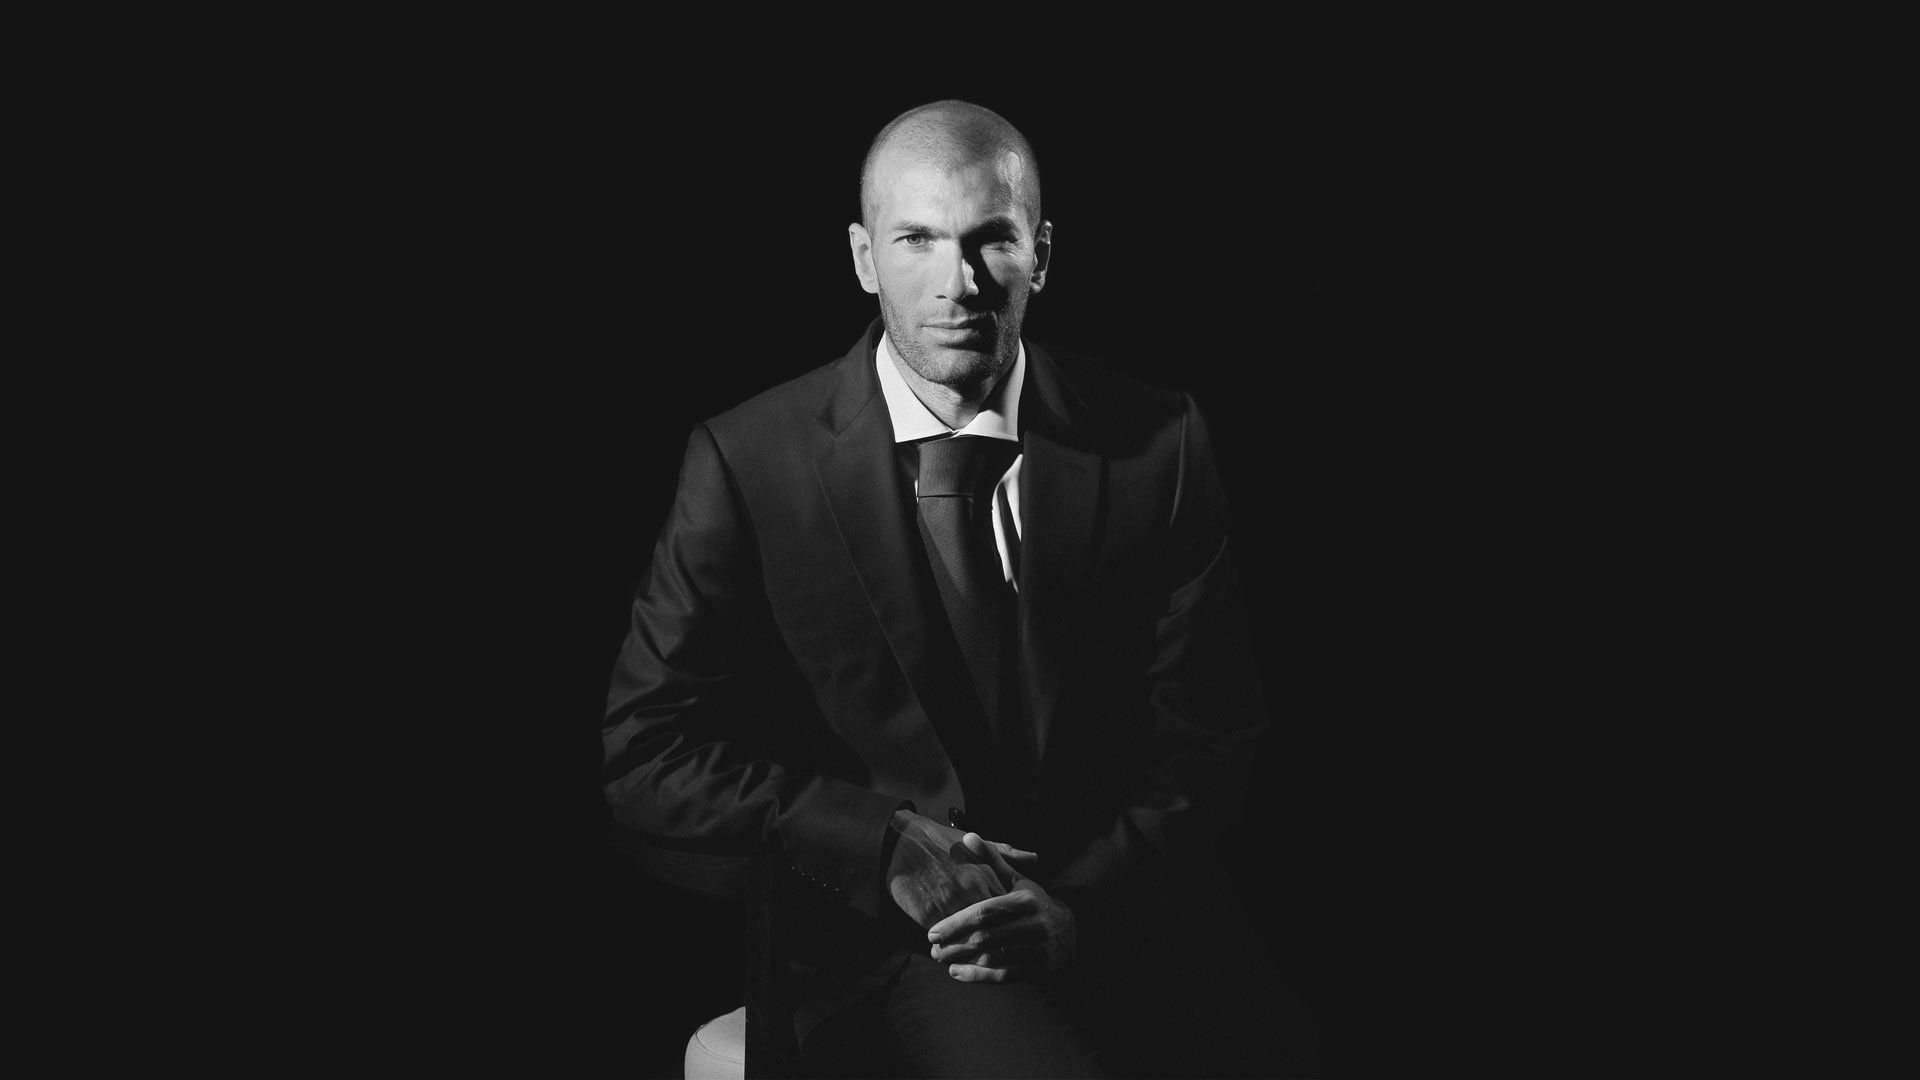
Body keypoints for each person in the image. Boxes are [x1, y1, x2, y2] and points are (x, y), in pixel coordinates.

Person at [603, 99, 1311, 1077]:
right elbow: (645, 754)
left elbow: (1211, 735)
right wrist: (879, 843)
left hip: (1113, 909)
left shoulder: (1157, 444)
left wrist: (1079, 905)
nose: (960, 282)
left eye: (992, 240)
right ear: (864, 259)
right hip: (873, 943)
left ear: (1042, 255)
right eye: (918, 240)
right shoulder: (747, 460)